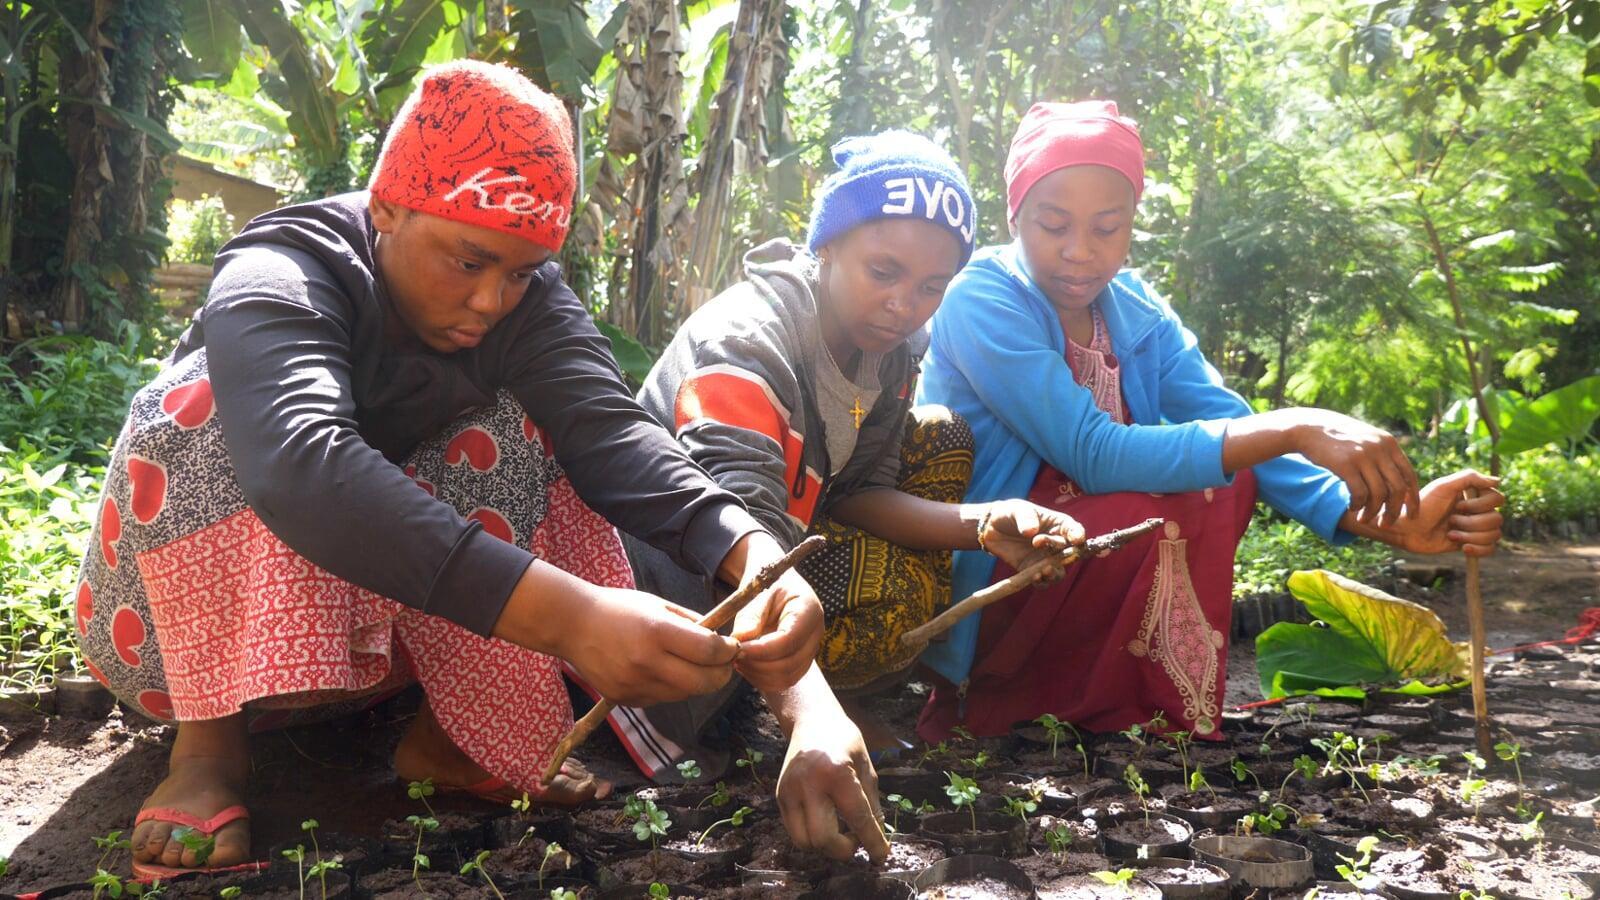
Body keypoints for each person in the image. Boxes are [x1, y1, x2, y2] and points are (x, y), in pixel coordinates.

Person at [74, 60, 878, 876]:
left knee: (524, 420)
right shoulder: (280, 274)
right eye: (469, 261)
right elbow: (301, 467)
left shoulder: (527, 308)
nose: (494, 300)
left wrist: (751, 554)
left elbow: (612, 435)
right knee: (210, 407)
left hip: (367, 654)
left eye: (521, 272)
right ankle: (209, 751)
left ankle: (453, 736)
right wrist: (570, 619)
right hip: (164, 651)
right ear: (385, 207)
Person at [915, 100, 1505, 741]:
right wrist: (1299, 424)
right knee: (1151, 505)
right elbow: (1090, 450)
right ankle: (1009, 705)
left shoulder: (1135, 308)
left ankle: (1132, 715)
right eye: (1052, 225)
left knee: (1224, 481)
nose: (1078, 252)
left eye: (1107, 228)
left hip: (1076, 562)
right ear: (1014, 215)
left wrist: (1374, 514)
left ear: (1132, 225)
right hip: (994, 560)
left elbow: (1229, 423)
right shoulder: (982, 296)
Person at [605, 131, 1085, 790]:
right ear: (825, 245)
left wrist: (986, 523)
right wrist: (811, 719)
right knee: (860, 589)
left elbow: (859, 491)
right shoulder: (748, 345)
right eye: (884, 272)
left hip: (779, 550)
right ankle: (766, 704)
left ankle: (799, 693)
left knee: (941, 439)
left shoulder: (891, 353)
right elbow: (735, 545)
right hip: (672, 584)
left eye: (930, 287)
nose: (903, 305)